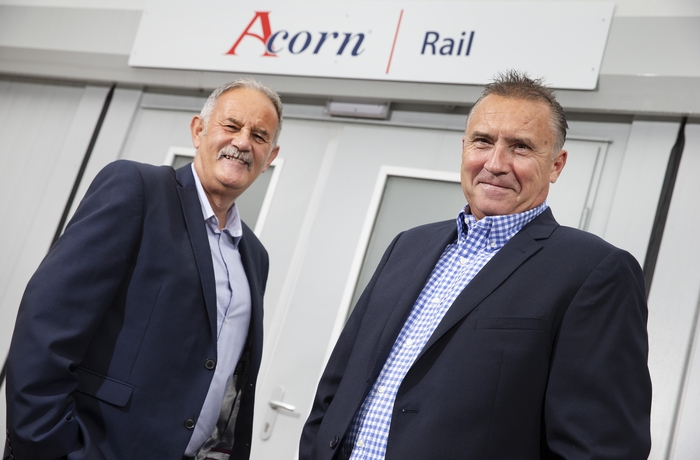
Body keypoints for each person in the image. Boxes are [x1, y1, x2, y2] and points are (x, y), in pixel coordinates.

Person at [299, 70, 651, 460]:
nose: (496, 163)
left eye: (520, 147)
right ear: (464, 148)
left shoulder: (595, 272)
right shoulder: (408, 245)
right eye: (483, 141)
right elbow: (339, 384)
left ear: (556, 165)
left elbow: (600, 447)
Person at [4, 78, 281, 460]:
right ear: (198, 131)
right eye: (231, 126)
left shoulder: (255, 255)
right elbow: (46, 324)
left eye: (259, 135)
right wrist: (48, 446)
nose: (243, 142)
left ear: (270, 156)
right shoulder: (137, 189)